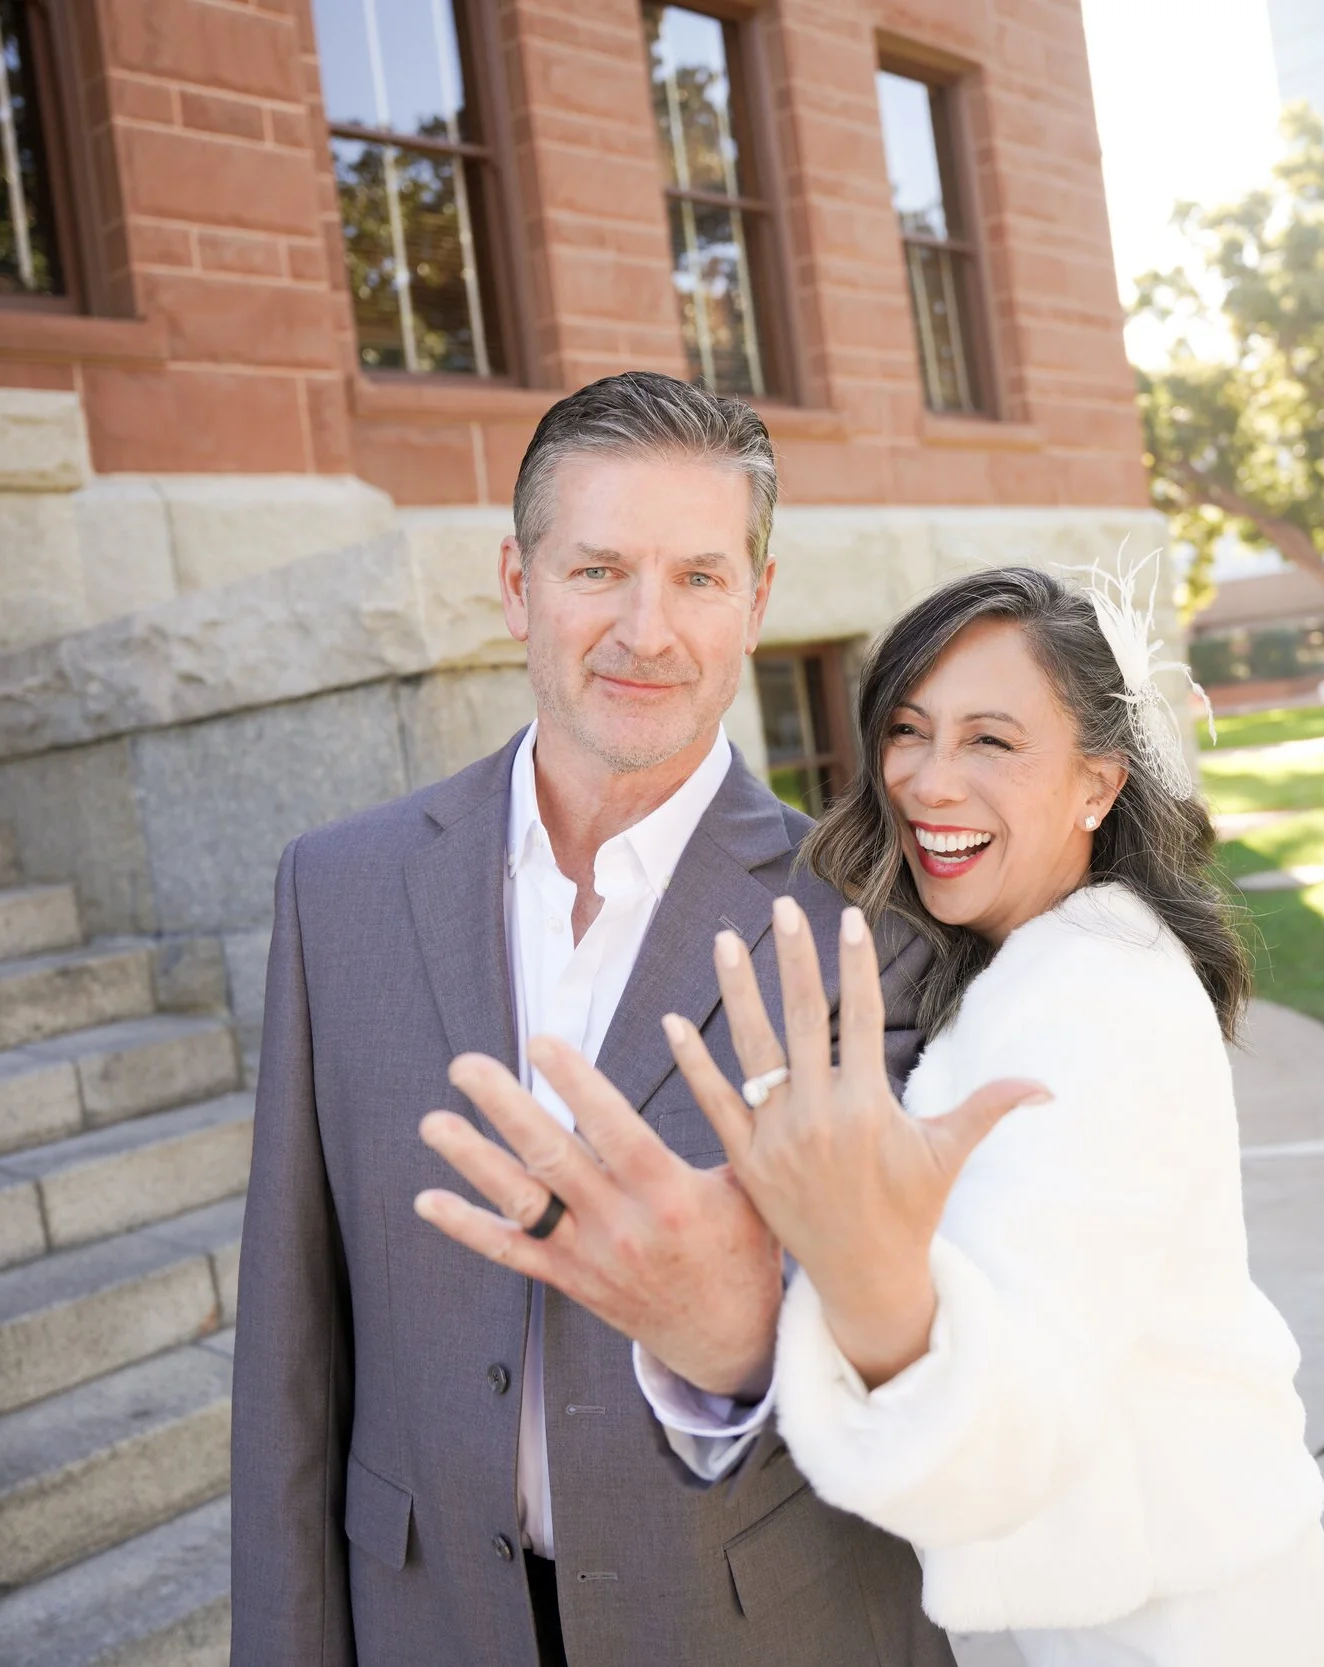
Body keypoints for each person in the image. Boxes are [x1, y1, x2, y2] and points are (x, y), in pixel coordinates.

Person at [444, 565, 1324, 1665]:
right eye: (907, 730)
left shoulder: (1096, 1009)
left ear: (1096, 784)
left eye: (991, 742)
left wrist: (854, 1275)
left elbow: (1018, 1410)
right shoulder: (1034, 967)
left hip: (1178, 1621)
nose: (926, 779)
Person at [229, 371, 954, 1667]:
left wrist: (737, 1342)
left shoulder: (872, 927)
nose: (645, 628)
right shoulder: (335, 887)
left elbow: (934, 1380)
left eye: (698, 578)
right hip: (427, 1620)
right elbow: (292, 1346)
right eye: (597, 569)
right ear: (517, 584)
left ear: (758, 601)